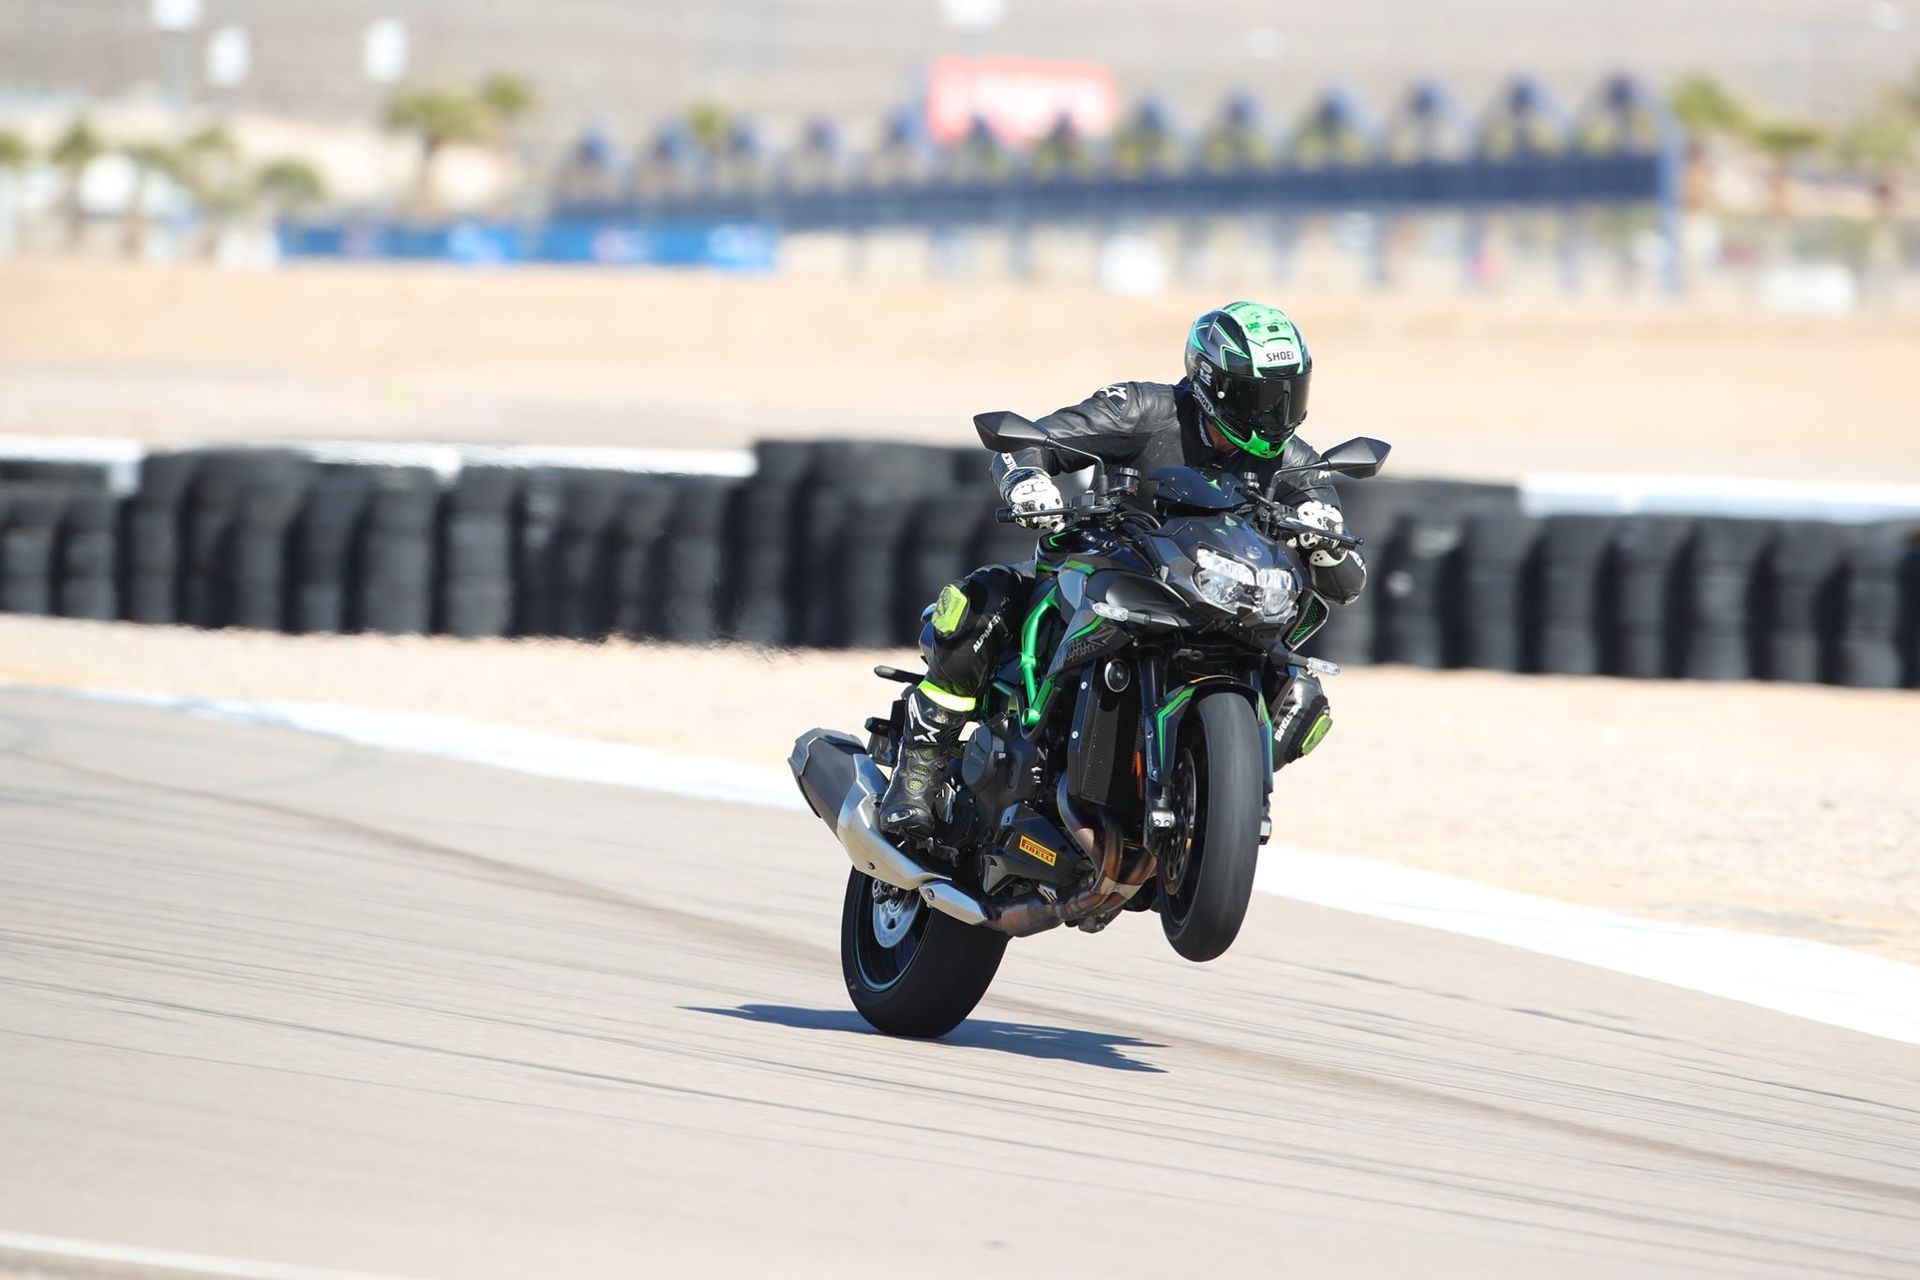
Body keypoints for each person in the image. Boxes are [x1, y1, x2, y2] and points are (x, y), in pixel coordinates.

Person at [879, 301, 1368, 840]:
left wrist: (1325, 546)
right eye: (1262, 396)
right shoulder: (1142, 408)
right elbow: (1032, 443)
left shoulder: (1298, 462)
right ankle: (917, 775)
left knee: (1304, 695)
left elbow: (1345, 583)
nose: (1277, 412)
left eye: (1288, 393)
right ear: (1214, 383)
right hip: (1111, 569)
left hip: (1218, 603)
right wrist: (1028, 481)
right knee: (983, 603)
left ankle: (1210, 800)